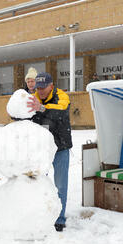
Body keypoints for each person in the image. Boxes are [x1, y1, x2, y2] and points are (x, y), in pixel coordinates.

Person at [26, 72, 73, 232]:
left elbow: (61, 112)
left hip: (61, 147)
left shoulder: (62, 96)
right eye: (38, 88)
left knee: (60, 185)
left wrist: (42, 108)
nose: (40, 91)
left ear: (51, 85)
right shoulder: (35, 98)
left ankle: (59, 218)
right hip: (43, 149)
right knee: (40, 183)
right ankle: (43, 214)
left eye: (43, 87)